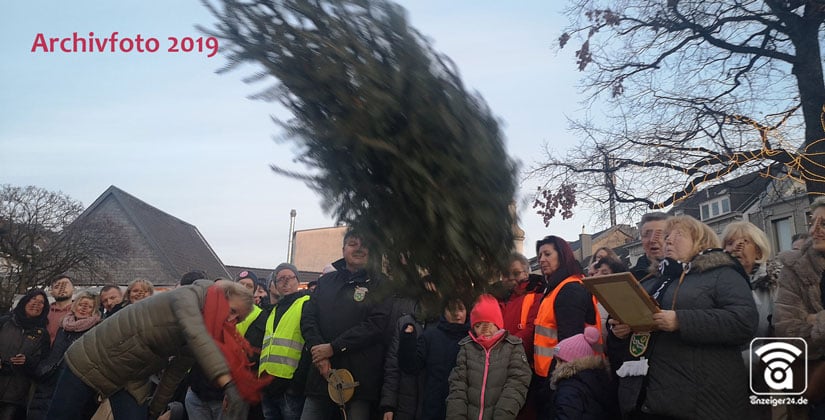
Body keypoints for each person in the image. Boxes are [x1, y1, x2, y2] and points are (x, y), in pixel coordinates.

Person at [46, 280, 268, 420]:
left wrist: (154, 411)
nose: (230, 319)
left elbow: (175, 373)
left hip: (130, 378)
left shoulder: (205, 329)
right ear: (222, 297)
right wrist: (229, 383)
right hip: (92, 361)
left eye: (236, 319)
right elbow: (195, 334)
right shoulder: (188, 296)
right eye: (231, 311)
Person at [611, 215, 758, 418]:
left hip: (700, 402)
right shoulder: (652, 279)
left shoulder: (722, 273)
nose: (668, 240)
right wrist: (620, 332)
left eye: (678, 235)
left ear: (699, 240)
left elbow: (743, 322)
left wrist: (680, 320)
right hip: (646, 400)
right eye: (668, 236)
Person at [300, 230, 390, 420]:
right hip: (321, 376)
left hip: (358, 382)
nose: (358, 248)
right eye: (352, 243)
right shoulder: (325, 282)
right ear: (343, 250)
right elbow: (308, 317)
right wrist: (319, 354)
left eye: (364, 244)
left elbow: (376, 325)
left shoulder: (381, 284)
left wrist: (333, 348)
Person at [532, 235, 602, 419]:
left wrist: (553, 381)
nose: (542, 260)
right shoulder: (557, 288)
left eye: (547, 254)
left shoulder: (569, 289)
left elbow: (570, 342)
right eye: (539, 256)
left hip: (563, 377)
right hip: (555, 375)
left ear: (562, 255)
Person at [775, 196, 825, 417]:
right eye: (812, 222)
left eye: (824, 224)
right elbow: (787, 332)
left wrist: (816, 319)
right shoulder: (795, 269)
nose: (815, 230)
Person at [445, 294, 531, 419]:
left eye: (488, 324)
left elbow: (517, 383)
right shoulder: (467, 347)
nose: (484, 330)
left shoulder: (513, 346)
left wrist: (502, 415)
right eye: (478, 325)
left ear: (497, 324)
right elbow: (458, 386)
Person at [28, 292, 102, 420]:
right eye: (81, 304)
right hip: (49, 379)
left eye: (89, 306)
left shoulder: (97, 330)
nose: (84, 308)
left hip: (74, 384)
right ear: (74, 306)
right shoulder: (63, 327)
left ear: (94, 311)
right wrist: (42, 369)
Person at [398, 296, 468, 420]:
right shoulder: (430, 336)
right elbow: (411, 366)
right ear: (444, 311)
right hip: (433, 408)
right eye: (452, 310)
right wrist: (407, 339)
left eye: (461, 309)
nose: (457, 314)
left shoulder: (470, 340)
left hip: (462, 410)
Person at [259, 263, 311, 420]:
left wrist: (296, 384)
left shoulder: (306, 303)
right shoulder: (275, 310)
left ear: (298, 281)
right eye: (280, 279)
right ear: (274, 284)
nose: (285, 282)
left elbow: (310, 344)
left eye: (290, 277)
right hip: (267, 385)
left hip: (289, 388)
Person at [0, 289, 50, 420]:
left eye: (41, 302)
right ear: (24, 302)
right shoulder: (5, 322)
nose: (36, 304)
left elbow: (43, 364)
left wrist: (27, 362)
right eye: (33, 299)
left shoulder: (42, 334)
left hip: (16, 394)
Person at [551, 326, 618, 419]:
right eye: (556, 361)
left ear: (574, 362)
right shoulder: (597, 380)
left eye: (561, 361)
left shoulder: (569, 388)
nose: (556, 366)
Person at [721, 221, 773, 338]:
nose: (735, 248)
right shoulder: (714, 284)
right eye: (729, 243)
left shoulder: (775, 283)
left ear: (758, 251)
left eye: (744, 242)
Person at [629, 212, 669, 281]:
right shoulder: (630, 278)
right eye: (647, 234)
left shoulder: (686, 273)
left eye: (659, 234)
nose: (652, 240)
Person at [47, 275, 75, 345]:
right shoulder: (43, 312)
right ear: (52, 292)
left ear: (73, 289)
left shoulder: (81, 312)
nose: (61, 289)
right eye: (57, 287)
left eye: (65, 285)